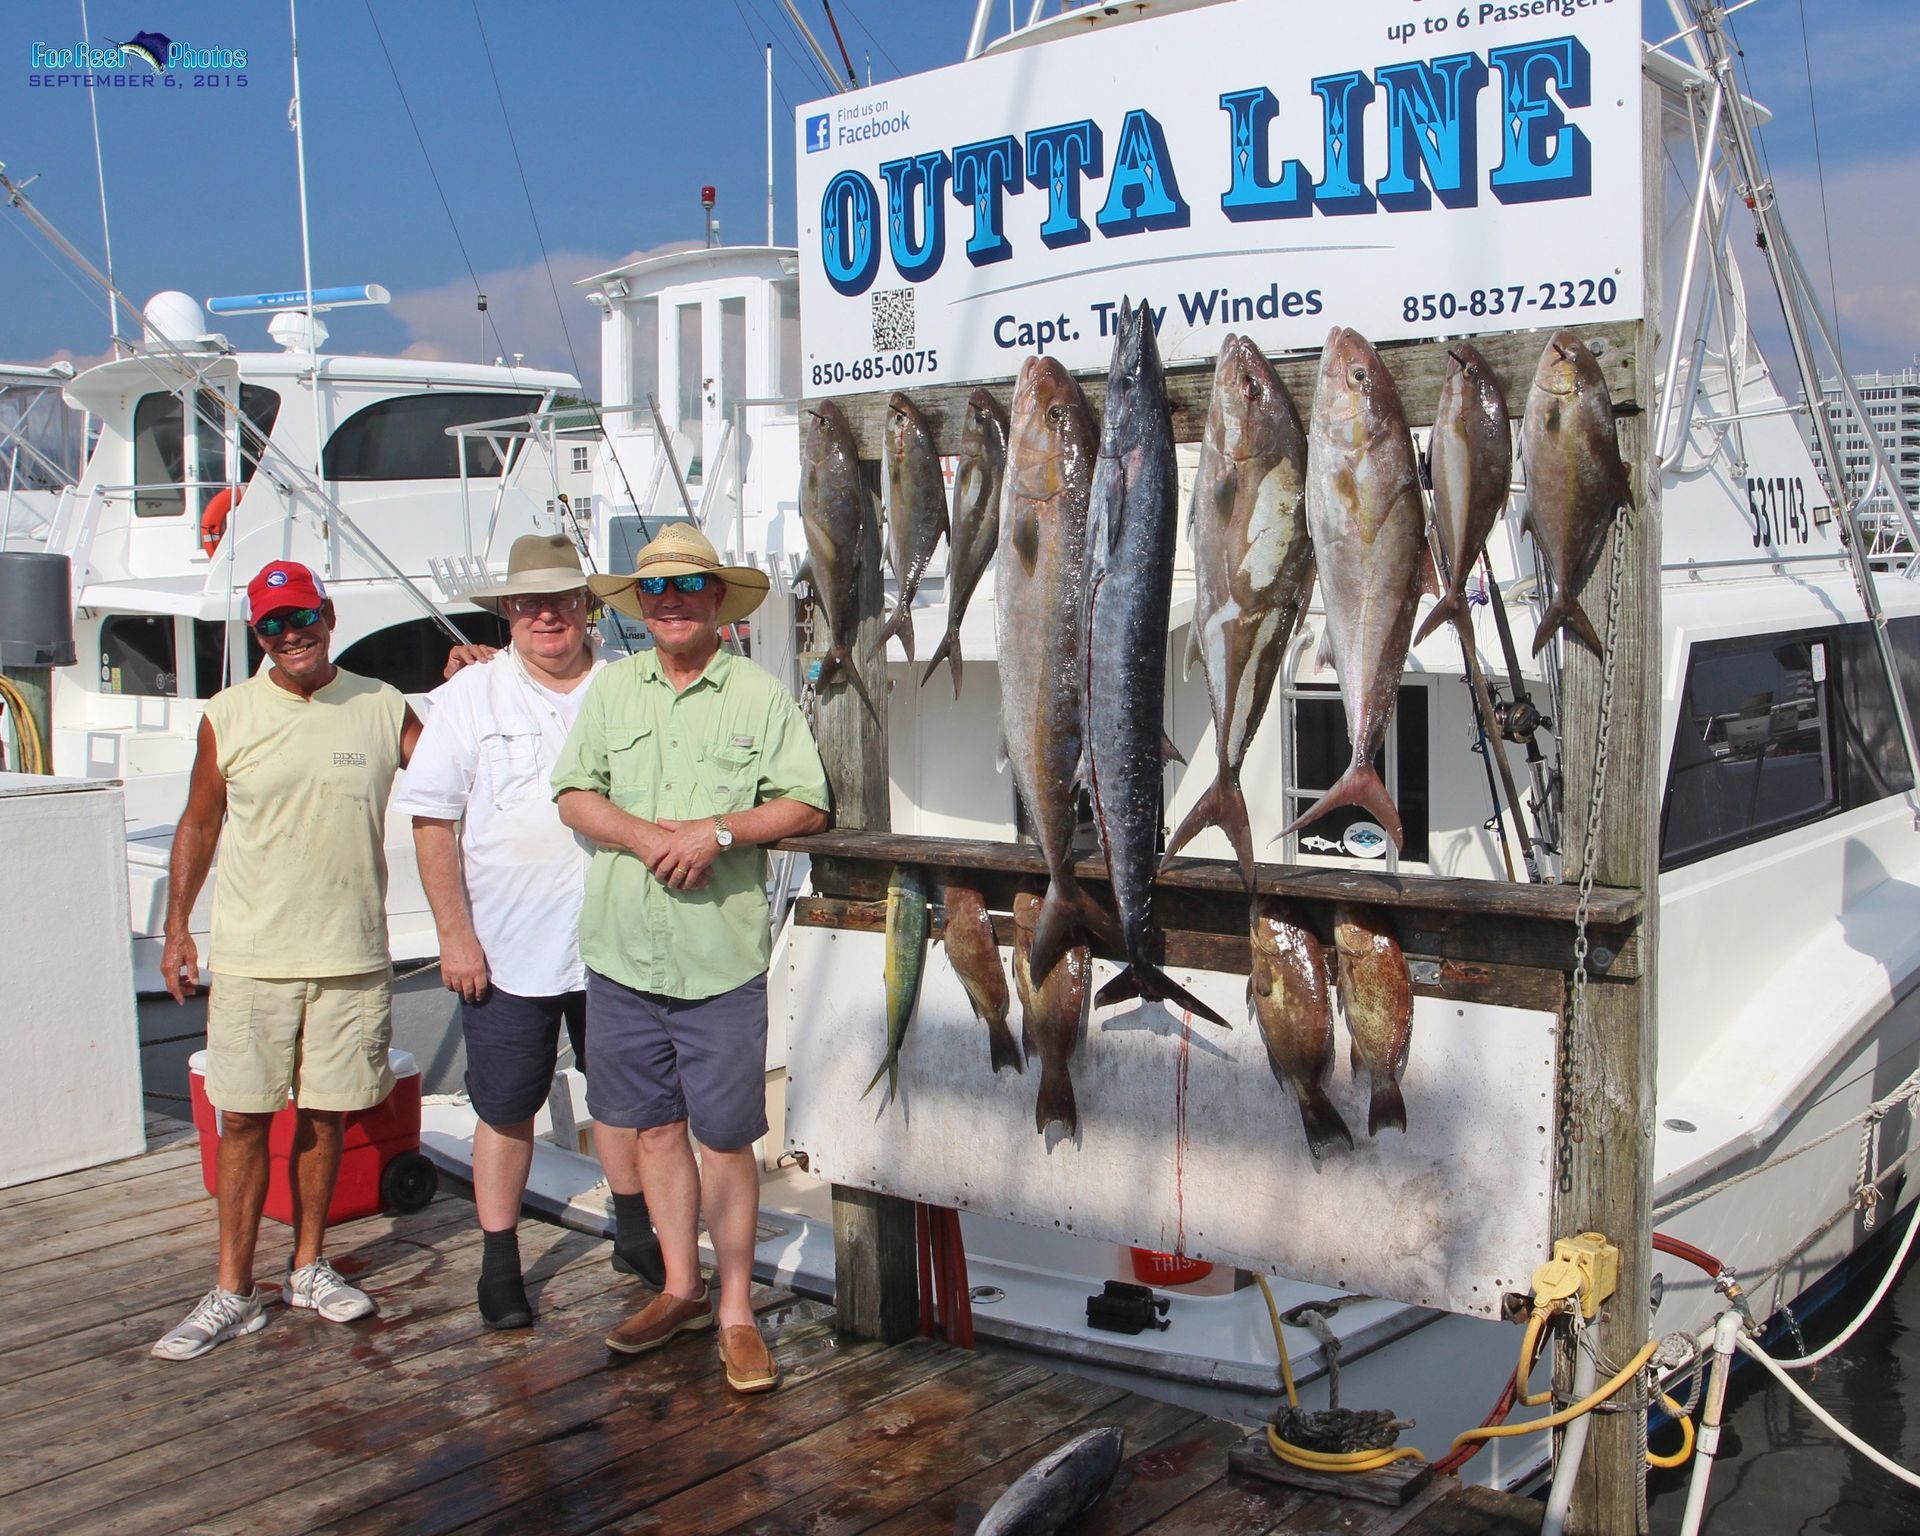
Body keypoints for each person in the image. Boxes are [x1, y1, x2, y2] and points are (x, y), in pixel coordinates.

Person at [552, 523, 828, 1394]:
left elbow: (807, 804)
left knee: (726, 1140)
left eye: (687, 586)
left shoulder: (759, 694)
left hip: (719, 963)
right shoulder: (611, 690)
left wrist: (718, 833)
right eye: (655, 589)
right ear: (639, 604)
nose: (671, 602)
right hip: (622, 956)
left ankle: (737, 1309)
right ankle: (681, 1289)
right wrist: (645, 837)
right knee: (653, 1130)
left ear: (716, 597)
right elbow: (572, 793)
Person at [154, 561, 423, 1361]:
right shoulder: (227, 714)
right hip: (252, 957)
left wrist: (478, 677)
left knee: (327, 1113)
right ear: (257, 635)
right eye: (271, 624)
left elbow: (458, 775)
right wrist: (177, 927)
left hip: (350, 956)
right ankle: (234, 1290)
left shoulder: (383, 704)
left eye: (300, 616)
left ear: (328, 615)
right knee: (242, 1120)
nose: (289, 634)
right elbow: (199, 823)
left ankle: (308, 1267)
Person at [393, 534, 659, 1329]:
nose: (547, 615)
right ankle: (499, 1260)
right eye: (529, 602)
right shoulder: (468, 696)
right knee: (504, 1106)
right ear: (508, 611)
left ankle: (634, 1233)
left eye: (563, 600)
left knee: (626, 1102)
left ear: (587, 608)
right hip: (506, 952)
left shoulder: (630, 684)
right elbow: (432, 822)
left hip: (619, 943)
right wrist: (455, 937)